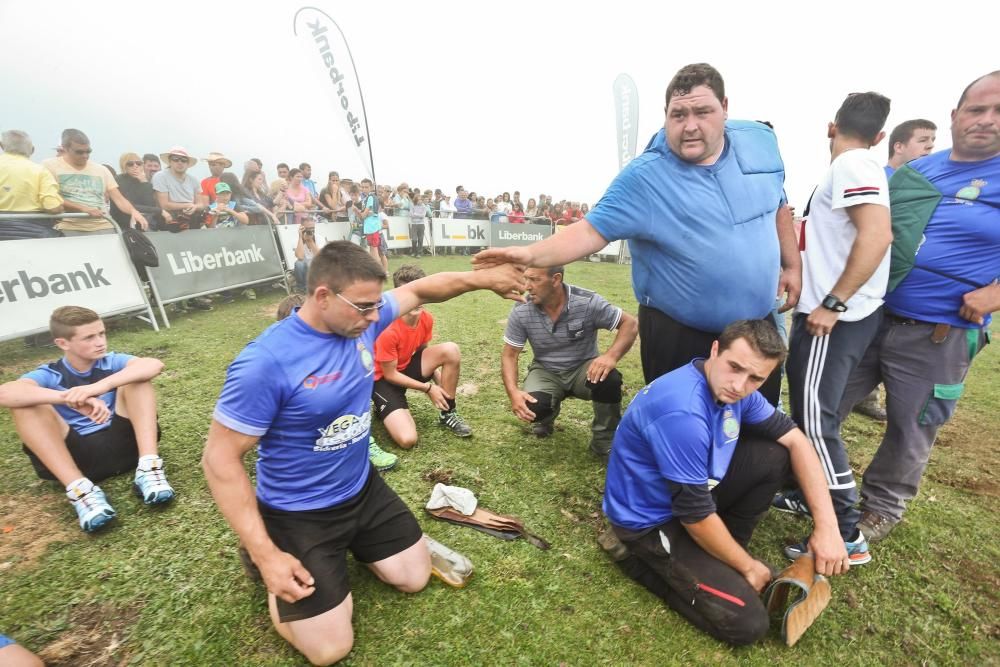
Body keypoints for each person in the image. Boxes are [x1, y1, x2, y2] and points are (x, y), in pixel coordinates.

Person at [201, 241, 525, 665]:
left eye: (377, 304)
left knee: (413, 579)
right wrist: (267, 555)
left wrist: (483, 280)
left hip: (362, 489)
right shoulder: (266, 362)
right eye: (365, 307)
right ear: (322, 296)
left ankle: (360, 545)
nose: (377, 316)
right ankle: (275, 559)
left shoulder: (360, 318)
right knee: (330, 650)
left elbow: (425, 289)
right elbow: (219, 460)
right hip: (300, 512)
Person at [475, 63, 799, 406]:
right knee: (678, 422)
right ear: (665, 114)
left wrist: (792, 265)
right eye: (678, 115)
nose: (690, 126)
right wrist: (530, 255)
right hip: (680, 331)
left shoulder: (760, 142)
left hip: (755, 327)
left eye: (703, 112)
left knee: (752, 423)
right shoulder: (645, 177)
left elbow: (777, 204)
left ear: (725, 108)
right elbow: (589, 231)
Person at [602, 320, 848, 646]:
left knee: (774, 455)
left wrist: (828, 526)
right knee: (747, 624)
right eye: (735, 367)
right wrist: (748, 567)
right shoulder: (683, 412)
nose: (739, 385)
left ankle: (724, 553)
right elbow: (694, 515)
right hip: (650, 523)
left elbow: (797, 441)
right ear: (715, 350)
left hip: (692, 496)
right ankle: (634, 559)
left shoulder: (736, 389)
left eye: (756, 378)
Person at [835, 71, 1000, 544]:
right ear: (955, 115)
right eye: (976, 109)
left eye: (998, 112)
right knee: (830, 402)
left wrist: (995, 295)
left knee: (911, 427)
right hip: (871, 317)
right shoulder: (917, 172)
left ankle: (882, 508)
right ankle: (812, 482)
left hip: (940, 333)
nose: (985, 121)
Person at [775, 92, 893, 565]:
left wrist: (832, 302)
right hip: (840, 313)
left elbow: (878, 235)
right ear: (881, 135)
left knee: (818, 424)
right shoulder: (861, 166)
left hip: (833, 319)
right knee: (813, 417)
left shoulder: (853, 166)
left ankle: (846, 533)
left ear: (831, 127)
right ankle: (810, 495)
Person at [0, 306, 175, 532]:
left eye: (101, 333)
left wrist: (97, 387)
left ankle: (149, 469)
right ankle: (81, 492)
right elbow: (5, 393)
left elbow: (154, 364)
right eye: (89, 337)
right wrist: (69, 398)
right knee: (27, 405)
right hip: (79, 458)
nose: (100, 342)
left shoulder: (110, 361)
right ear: (63, 343)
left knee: (137, 379)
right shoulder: (50, 373)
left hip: (126, 446)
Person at [852, 118, 939, 422]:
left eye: (933, 141)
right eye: (923, 140)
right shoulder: (876, 178)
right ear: (898, 145)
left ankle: (868, 395)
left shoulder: (925, 185)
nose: (930, 147)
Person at [502, 266, 637, 456]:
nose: (527, 286)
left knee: (609, 380)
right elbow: (510, 354)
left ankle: (603, 442)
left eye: (534, 280)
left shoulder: (587, 302)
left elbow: (630, 323)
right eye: (525, 279)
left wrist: (610, 356)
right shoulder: (522, 307)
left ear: (556, 279)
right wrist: (513, 392)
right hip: (546, 370)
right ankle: (546, 418)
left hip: (583, 368)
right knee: (533, 407)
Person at [373, 265, 474, 449]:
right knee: (408, 440)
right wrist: (428, 389)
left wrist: (440, 384)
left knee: (450, 349)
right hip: (384, 380)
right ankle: (382, 405)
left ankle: (448, 413)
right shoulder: (388, 328)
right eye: (411, 295)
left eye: (420, 292)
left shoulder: (426, 318)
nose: (416, 301)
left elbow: (422, 354)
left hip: (404, 370)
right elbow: (390, 375)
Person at [43, 128, 149, 235]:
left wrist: (133, 211)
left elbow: (119, 198)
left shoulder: (101, 169)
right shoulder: (50, 166)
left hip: (103, 225)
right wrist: (83, 209)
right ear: (65, 148)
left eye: (88, 151)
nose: (85, 155)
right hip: (69, 226)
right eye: (79, 152)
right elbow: (51, 197)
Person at [0, 129, 63, 240]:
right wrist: (61, 208)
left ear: (1, 146)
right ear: (32, 150)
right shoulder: (40, 171)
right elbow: (52, 207)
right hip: (33, 230)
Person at [111, 152, 168, 230]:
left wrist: (144, 182)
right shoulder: (119, 180)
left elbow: (149, 204)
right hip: (123, 221)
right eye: (130, 164)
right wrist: (160, 211)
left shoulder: (142, 180)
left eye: (138, 163)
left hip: (141, 220)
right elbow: (129, 205)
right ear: (124, 165)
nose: (135, 166)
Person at [359, 178, 387, 271]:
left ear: (371, 187)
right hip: (370, 227)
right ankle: (375, 270)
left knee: (374, 250)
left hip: (372, 227)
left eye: (366, 187)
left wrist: (355, 210)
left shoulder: (370, 198)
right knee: (372, 249)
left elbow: (363, 215)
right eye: (362, 187)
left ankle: (378, 270)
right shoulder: (367, 198)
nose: (364, 189)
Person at [293, 223, 319, 293]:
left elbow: (320, 257)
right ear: (302, 228)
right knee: (298, 264)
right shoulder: (298, 239)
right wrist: (300, 237)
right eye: (308, 228)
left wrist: (310, 241)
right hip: (306, 268)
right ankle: (301, 288)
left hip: (317, 266)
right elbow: (300, 257)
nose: (310, 230)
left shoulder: (319, 238)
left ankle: (309, 288)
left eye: (312, 228)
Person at [408, 192, 430, 256]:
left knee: (420, 239)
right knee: (414, 239)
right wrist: (418, 215)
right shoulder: (412, 206)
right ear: (416, 200)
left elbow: (423, 215)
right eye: (418, 200)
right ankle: (414, 252)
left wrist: (415, 214)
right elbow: (411, 214)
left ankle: (419, 253)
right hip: (414, 224)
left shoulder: (424, 206)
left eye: (421, 199)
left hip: (421, 224)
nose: (420, 201)